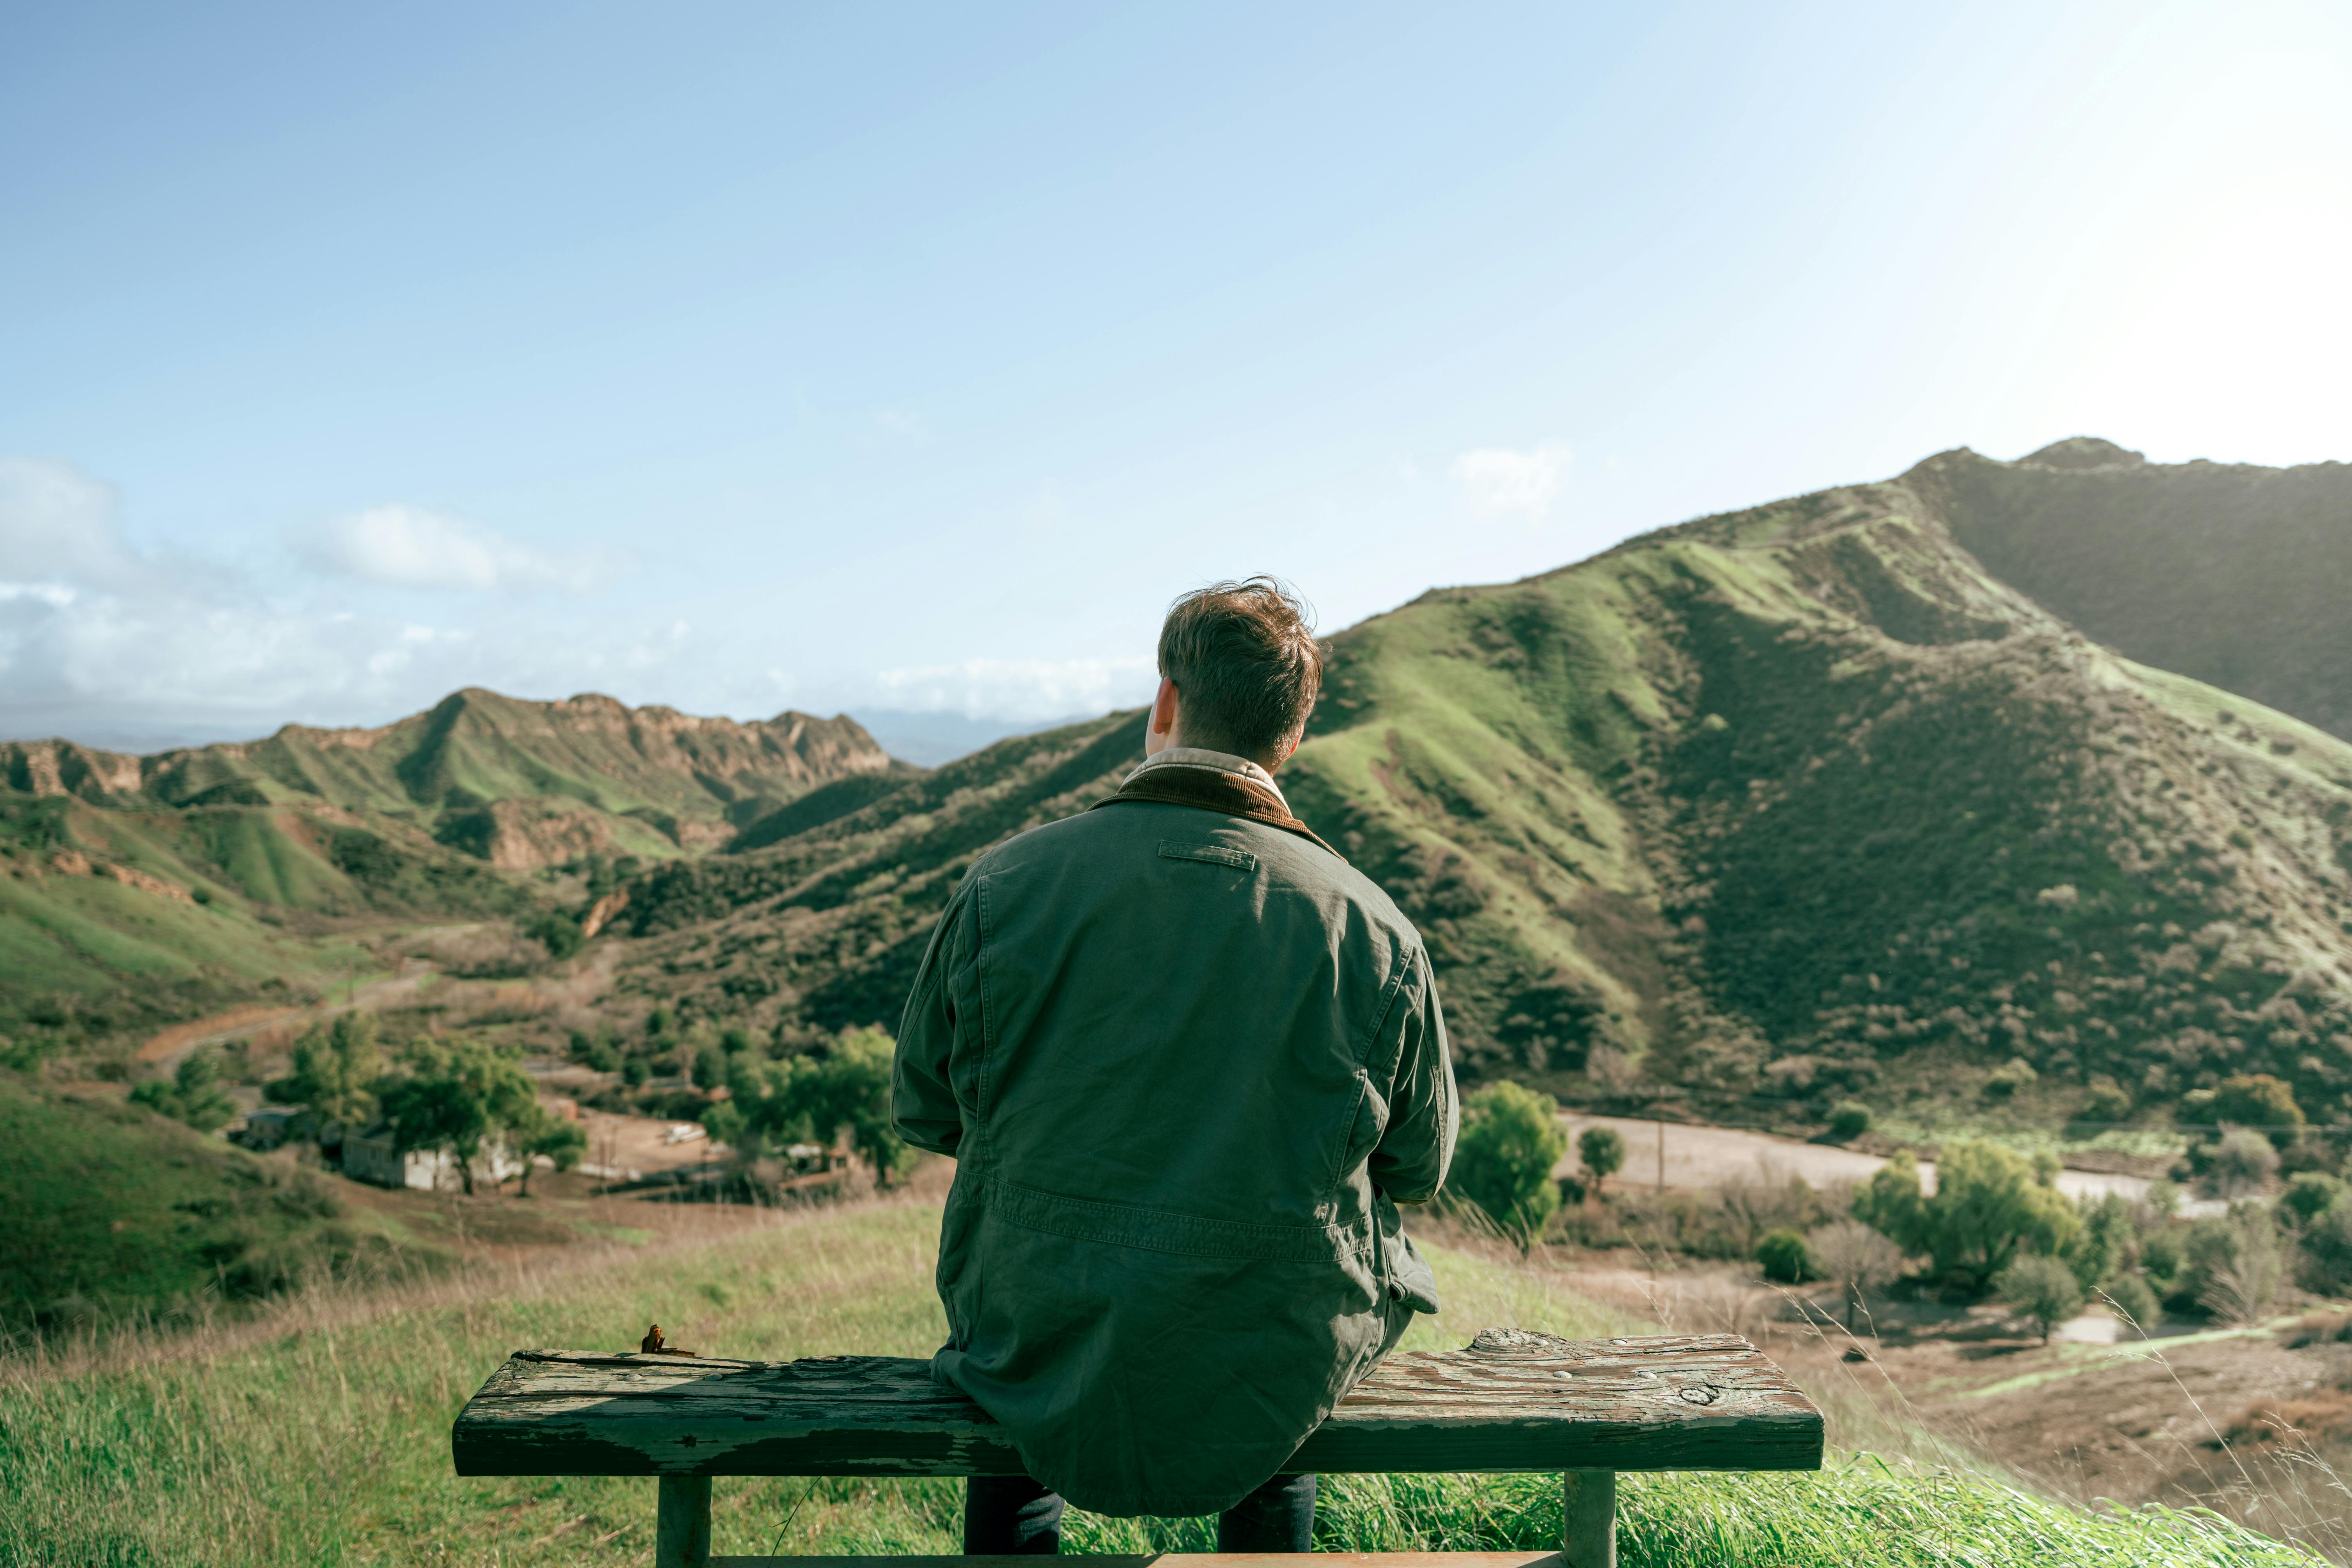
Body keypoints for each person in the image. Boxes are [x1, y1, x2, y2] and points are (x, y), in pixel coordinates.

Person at [892, 577, 1457, 1552]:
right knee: (1284, 1370)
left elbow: (925, 1106)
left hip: (1033, 1328)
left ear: (1165, 704)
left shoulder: (1005, 883)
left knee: (1018, 1435)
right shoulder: (1374, 929)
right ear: (1290, 739)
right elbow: (1419, 1166)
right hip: (1270, 1353)